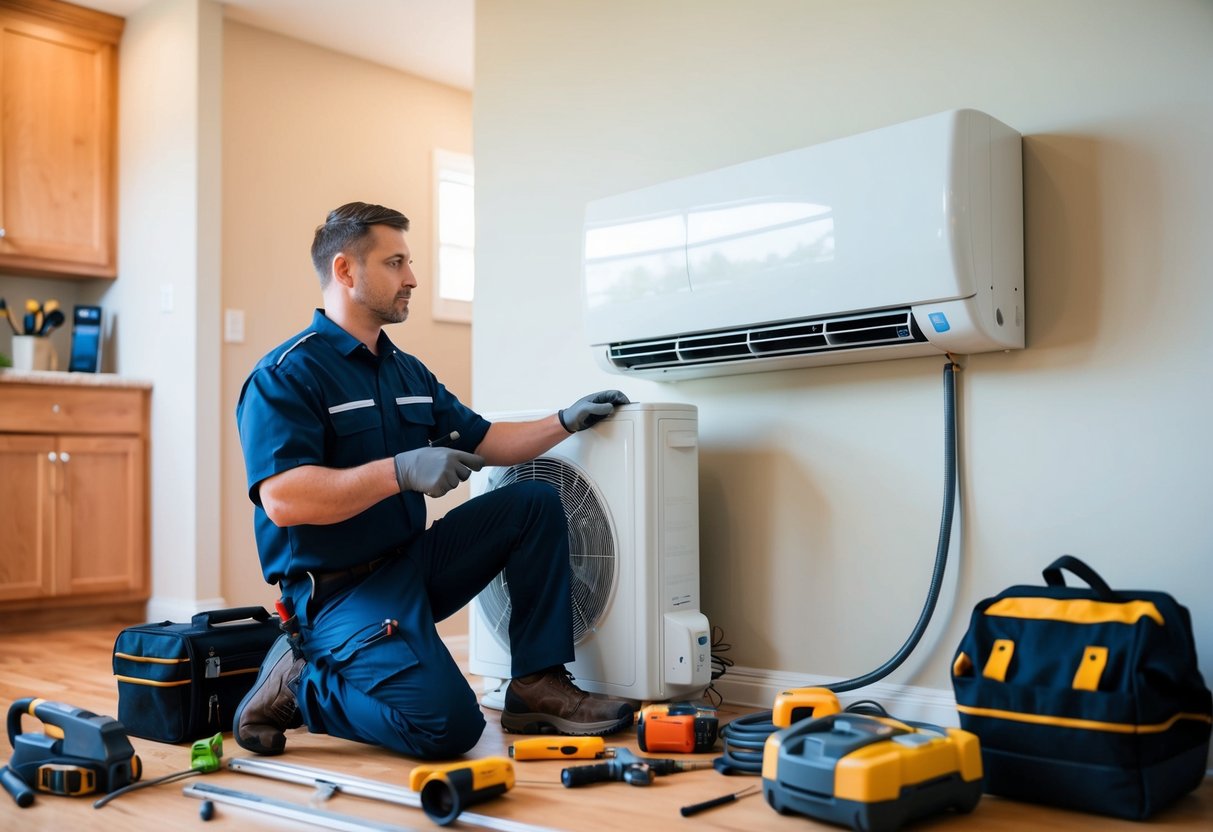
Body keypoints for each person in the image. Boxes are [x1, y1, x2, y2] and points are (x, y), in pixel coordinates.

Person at [233, 201, 634, 760]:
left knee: (533, 502)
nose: (413, 279)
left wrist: (563, 421)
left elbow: (486, 438)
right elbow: (284, 500)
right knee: (447, 728)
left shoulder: (407, 372)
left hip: (411, 564)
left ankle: (536, 683)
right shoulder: (286, 376)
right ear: (346, 271)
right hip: (337, 594)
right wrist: (400, 471)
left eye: (410, 262)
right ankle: (303, 683)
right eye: (396, 263)